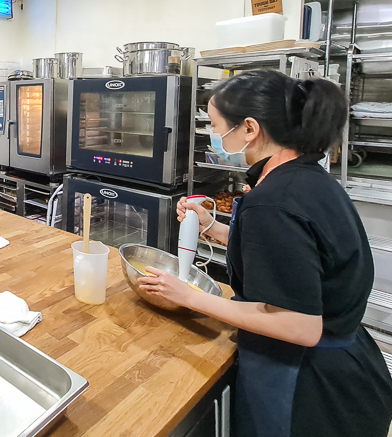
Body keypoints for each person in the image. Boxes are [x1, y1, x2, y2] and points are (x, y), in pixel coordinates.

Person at [138, 69, 392, 437]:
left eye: (215, 125)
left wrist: (189, 296)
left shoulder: (273, 202)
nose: (213, 135)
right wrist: (212, 227)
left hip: (308, 384)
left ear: (250, 129)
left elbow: (299, 325)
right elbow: (292, 256)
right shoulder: (306, 178)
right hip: (352, 363)